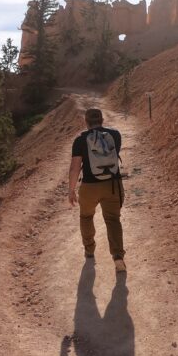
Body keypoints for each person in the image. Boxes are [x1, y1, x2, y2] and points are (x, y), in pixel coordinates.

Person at [68, 108, 126, 272]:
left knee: (86, 217)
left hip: (89, 187)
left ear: (86, 122)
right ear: (102, 120)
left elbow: (75, 168)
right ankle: (118, 256)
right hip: (112, 185)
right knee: (113, 220)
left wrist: (71, 190)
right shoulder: (115, 135)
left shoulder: (80, 140)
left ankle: (89, 250)